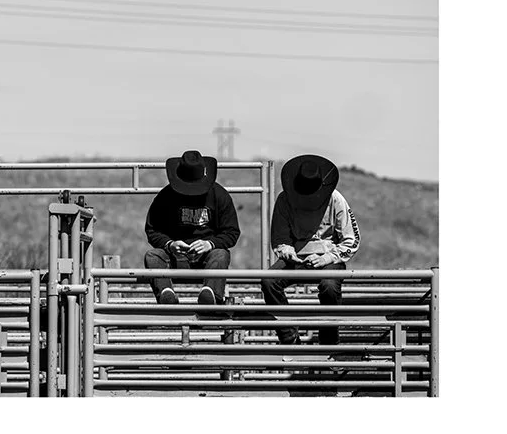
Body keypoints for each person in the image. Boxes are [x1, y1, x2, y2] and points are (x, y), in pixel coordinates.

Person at [264, 154, 359, 347]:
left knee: (330, 287)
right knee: (268, 281)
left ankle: (329, 340)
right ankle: (289, 337)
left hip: (329, 259)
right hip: (296, 257)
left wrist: (326, 258)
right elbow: (280, 238)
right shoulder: (284, 200)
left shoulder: (336, 200)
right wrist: (287, 251)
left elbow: (352, 239)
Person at [142, 149, 242, 305]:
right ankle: (166, 294)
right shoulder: (165, 196)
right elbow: (152, 229)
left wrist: (209, 244)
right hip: (175, 257)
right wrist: (170, 244)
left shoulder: (219, 195)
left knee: (220, 255)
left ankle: (210, 295)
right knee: (153, 256)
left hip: (207, 258)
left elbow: (232, 232)